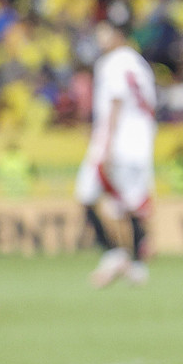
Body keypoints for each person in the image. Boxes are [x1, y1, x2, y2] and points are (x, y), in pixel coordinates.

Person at [77, 22, 156, 288]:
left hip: (116, 141)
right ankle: (134, 264)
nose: (100, 38)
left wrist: (107, 143)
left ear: (119, 35)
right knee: (132, 204)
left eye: (105, 32)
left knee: (87, 195)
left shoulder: (111, 63)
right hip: (141, 142)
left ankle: (117, 254)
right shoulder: (141, 65)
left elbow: (116, 100)